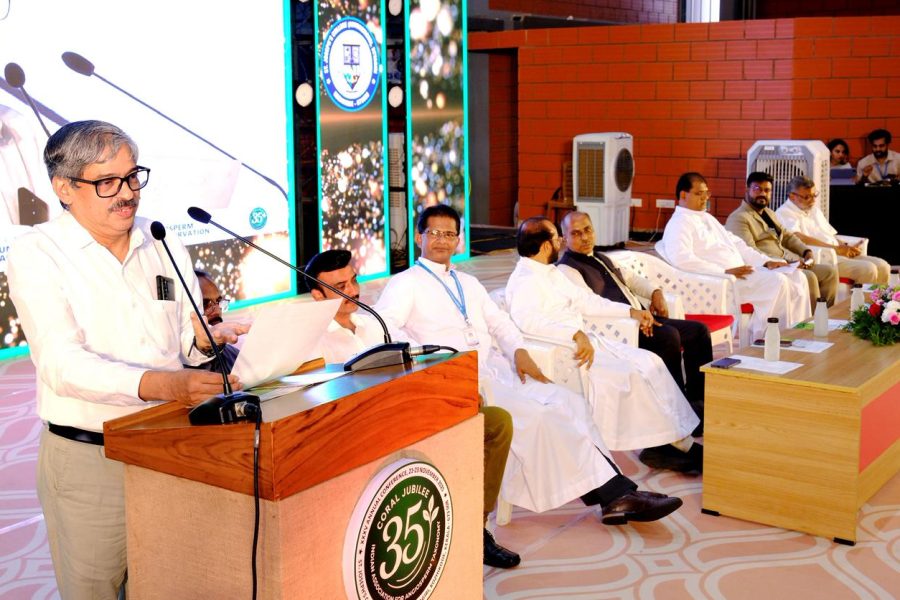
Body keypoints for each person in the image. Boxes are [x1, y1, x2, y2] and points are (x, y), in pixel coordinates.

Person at [7, 120, 247, 600]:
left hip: (169, 445)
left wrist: (204, 341)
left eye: (133, 176)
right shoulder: (38, 253)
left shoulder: (161, 240)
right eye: (107, 182)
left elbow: (182, 342)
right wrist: (163, 385)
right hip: (90, 460)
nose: (128, 193)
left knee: (167, 584)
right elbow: (61, 364)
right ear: (64, 188)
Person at [375, 205, 683, 529]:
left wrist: (518, 351)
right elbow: (384, 327)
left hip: (499, 368)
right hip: (462, 379)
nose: (442, 240)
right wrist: (430, 357)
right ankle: (616, 496)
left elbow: (500, 323)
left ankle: (617, 494)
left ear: (458, 240)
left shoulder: (467, 282)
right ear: (419, 237)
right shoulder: (405, 284)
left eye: (449, 234)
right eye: (435, 233)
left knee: (571, 404)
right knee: (542, 418)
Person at [305, 248, 520, 569]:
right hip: (362, 434)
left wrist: (455, 390)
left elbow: (413, 366)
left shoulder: (373, 324)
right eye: (340, 287)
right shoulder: (313, 341)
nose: (352, 291)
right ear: (317, 296)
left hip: (407, 415)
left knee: (495, 422)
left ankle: (475, 528)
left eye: (353, 281)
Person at [507, 217, 702, 472]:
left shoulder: (549, 272)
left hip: (586, 343)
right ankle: (667, 445)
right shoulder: (525, 280)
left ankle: (675, 441)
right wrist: (574, 334)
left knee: (650, 362)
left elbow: (587, 301)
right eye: (556, 237)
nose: (561, 241)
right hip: (567, 354)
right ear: (545, 246)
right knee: (632, 376)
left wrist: (630, 312)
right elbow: (528, 323)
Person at [558, 211, 711, 427]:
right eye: (575, 233)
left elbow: (633, 279)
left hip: (641, 319)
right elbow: (591, 304)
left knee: (699, 331)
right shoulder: (567, 269)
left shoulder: (601, 257)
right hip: (617, 330)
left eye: (587, 230)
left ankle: (698, 403)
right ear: (564, 238)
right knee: (669, 337)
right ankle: (676, 413)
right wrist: (631, 314)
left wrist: (655, 292)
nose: (584, 237)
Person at [658, 172, 811, 341]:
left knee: (797, 277)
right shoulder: (679, 222)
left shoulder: (707, 217)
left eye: (706, 193)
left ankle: (797, 333)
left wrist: (767, 262)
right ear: (683, 195)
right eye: (699, 193)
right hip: (718, 281)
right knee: (777, 281)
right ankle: (765, 340)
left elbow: (738, 244)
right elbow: (682, 259)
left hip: (740, 274)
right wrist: (723, 271)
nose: (704, 198)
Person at [725, 171, 838, 310]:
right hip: (767, 269)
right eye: (757, 189)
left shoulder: (769, 213)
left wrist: (806, 251)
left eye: (767, 190)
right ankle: (812, 321)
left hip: (788, 263)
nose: (763, 193)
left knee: (829, 273)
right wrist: (785, 263)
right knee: (809, 277)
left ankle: (825, 315)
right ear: (747, 189)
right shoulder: (739, 218)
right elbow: (749, 252)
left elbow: (787, 236)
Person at [776, 176, 890, 285]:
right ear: (792, 196)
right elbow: (798, 238)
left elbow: (829, 234)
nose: (813, 200)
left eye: (814, 195)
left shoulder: (814, 210)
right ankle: (862, 299)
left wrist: (845, 246)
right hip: (822, 259)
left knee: (883, 266)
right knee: (868, 269)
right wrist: (835, 249)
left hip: (837, 253)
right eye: (807, 197)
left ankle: (879, 299)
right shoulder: (784, 213)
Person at [193, 269, 240, 373]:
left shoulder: (236, 357)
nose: (217, 309)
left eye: (219, 301)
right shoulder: (173, 365)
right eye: (205, 304)